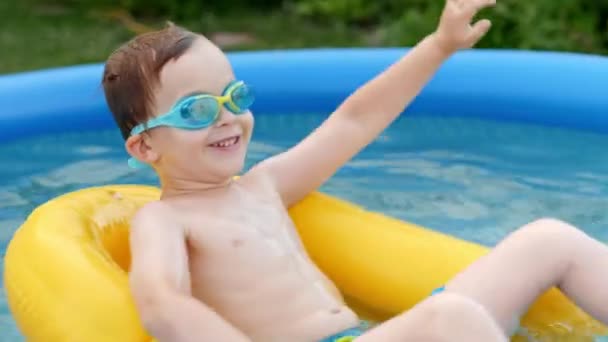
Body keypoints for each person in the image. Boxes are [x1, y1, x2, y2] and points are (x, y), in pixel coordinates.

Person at [101, 0, 608, 340]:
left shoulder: (265, 187)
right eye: (197, 110)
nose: (227, 116)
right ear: (145, 146)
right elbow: (161, 304)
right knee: (450, 317)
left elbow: (355, 120)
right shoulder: (164, 221)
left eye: (234, 96)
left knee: (548, 240)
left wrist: (440, 44)